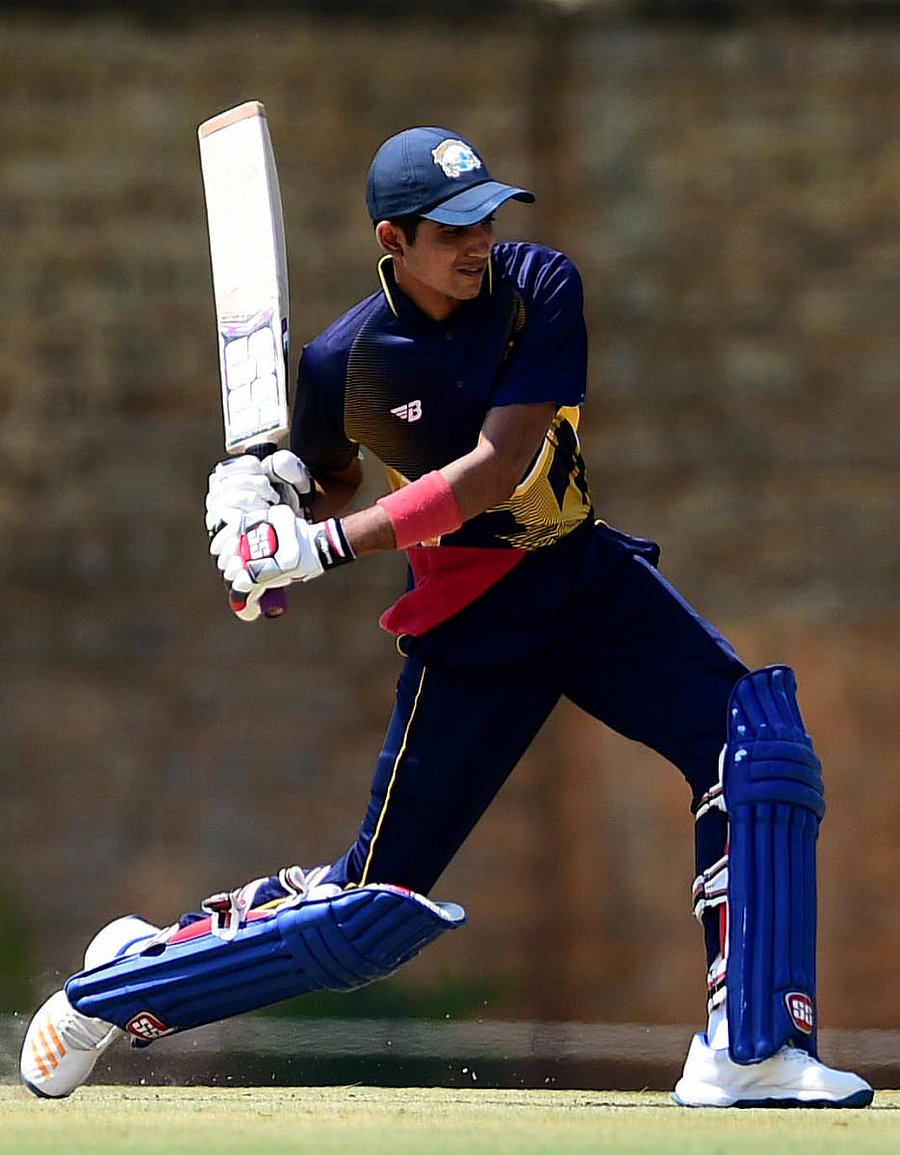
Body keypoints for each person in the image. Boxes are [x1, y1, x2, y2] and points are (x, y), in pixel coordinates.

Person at [21, 126, 872, 1108]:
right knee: (370, 912)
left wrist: (325, 544)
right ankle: (117, 988)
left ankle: (753, 1048)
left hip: (585, 580)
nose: (480, 241)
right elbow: (331, 474)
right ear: (394, 237)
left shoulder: (538, 288)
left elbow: (497, 468)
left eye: (487, 216)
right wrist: (267, 508)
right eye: (453, 226)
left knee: (755, 748)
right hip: (473, 624)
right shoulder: (343, 363)